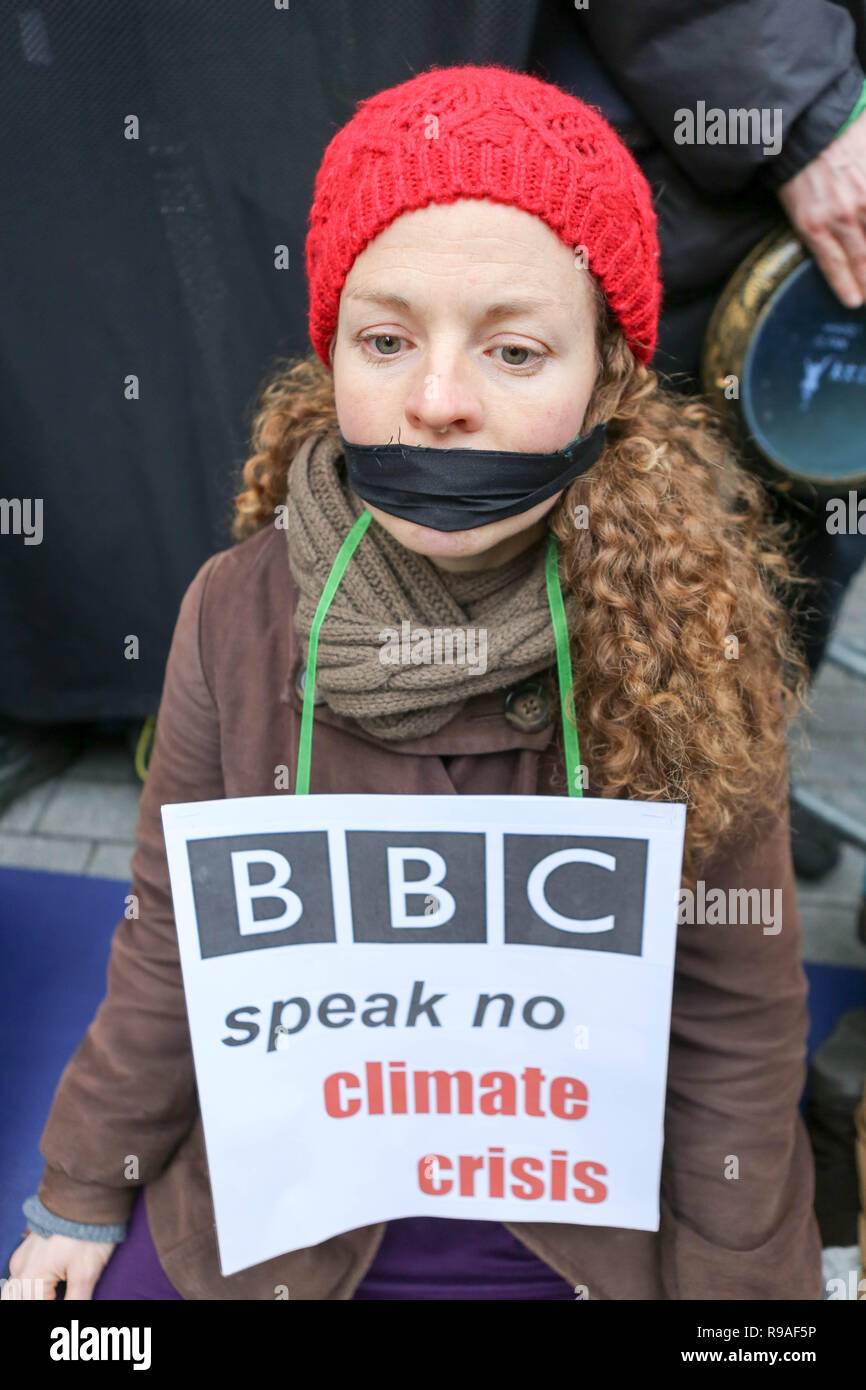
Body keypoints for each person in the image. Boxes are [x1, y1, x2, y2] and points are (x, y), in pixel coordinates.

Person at [5, 64, 822, 1301]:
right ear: (330, 350)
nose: (436, 402)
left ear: (605, 375)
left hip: (573, 1235)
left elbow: (734, 1026)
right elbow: (174, 939)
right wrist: (77, 1184)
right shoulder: (229, 614)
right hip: (281, 1221)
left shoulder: (691, 646)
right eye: (385, 341)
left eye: (513, 349)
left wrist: (742, 1310)